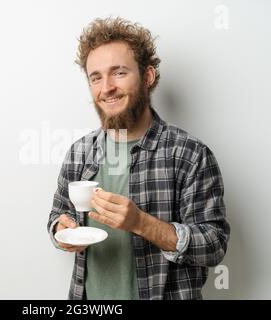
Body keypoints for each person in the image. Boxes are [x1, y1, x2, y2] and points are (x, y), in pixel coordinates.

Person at [47, 16, 230, 300]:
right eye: (95, 77)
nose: (105, 87)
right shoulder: (79, 153)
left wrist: (141, 223)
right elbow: (58, 215)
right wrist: (62, 229)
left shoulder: (190, 154)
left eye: (118, 72)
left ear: (148, 76)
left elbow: (214, 245)